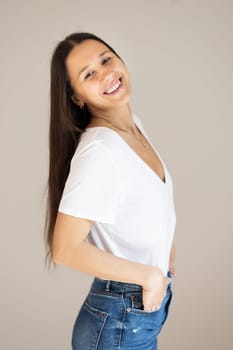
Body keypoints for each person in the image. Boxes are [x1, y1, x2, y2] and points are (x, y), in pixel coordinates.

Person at [44, 32, 177, 350]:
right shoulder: (100, 150)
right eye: (88, 74)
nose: (106, 73)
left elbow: (146, 202)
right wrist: (150, 276)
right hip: (120, 319)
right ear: (76, 96)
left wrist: (164, 254)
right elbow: (65, 248)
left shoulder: (133, 127)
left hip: (133, 314)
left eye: (106, 59)